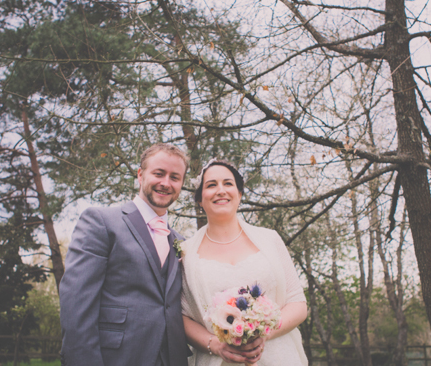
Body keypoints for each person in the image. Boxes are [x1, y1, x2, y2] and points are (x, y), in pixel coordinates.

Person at [59, 143, 191, 366]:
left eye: (174, 177)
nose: (165, 183)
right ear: (140, 175)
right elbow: (76, 304)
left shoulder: (182, 242)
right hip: (117, 358)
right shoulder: (101, 222)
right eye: (158, 173)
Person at [181, 159, 308, 366]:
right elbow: (182, 317)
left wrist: (263, 334)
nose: (220, 190)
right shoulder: (186, 254)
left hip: (278, 357)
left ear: (239, 194)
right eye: (211, 185)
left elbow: (298, 303)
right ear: (200, 199)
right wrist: (216, 344)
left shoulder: (270, 239)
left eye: (228, 183)